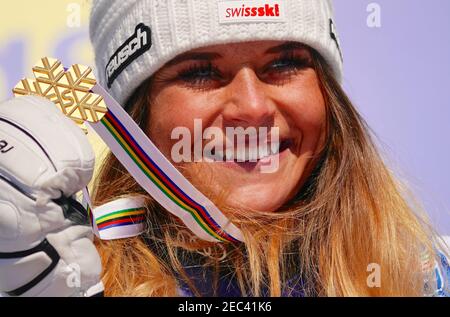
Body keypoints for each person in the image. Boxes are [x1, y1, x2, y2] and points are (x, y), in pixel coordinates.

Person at [0, 0, 448, 297]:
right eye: (199, 72)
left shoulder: (430, 277)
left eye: (285, 63)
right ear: (135, 121)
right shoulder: (56, 278)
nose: (252, 108)